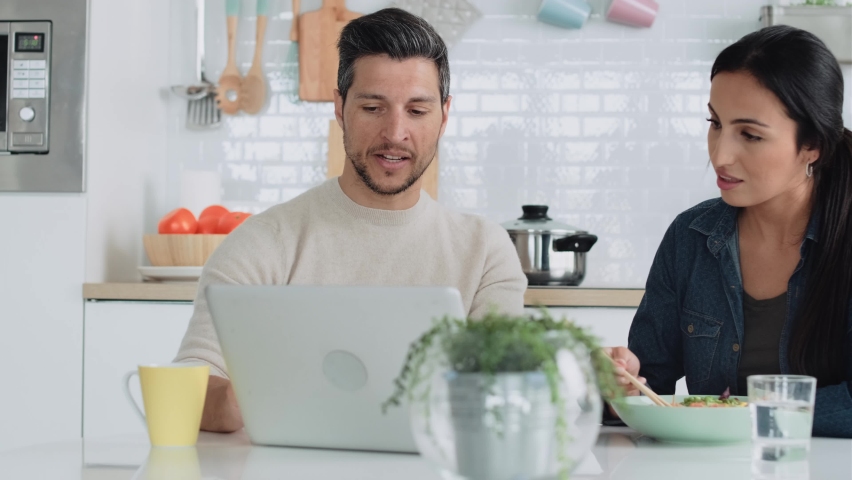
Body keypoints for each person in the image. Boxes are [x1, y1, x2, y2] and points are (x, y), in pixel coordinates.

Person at [173, 8, 527, 433]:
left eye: (417, 111)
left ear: (444, 116)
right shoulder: (263, 243)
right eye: (373, 107)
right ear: (340, 107)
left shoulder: (484, 252)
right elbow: (187, 383)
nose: (395, 133)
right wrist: (240, 399)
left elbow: (504, 395)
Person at [609, 25, 852, 438]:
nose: (720, 155)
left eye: (750, 135)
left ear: (813, 145)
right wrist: (622, 383)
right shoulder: (689, 237)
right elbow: (649, 387)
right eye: (715, 123)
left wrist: (743, 415)